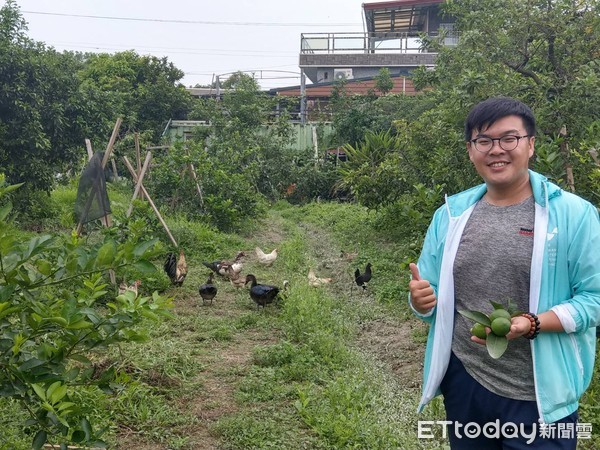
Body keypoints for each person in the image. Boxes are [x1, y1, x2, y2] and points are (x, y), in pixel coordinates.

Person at [408, 96, 600, 449]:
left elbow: (595, 299)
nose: (496, 150)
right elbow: (431, 291)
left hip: (542, 395)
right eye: (484, 141)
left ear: (530, 145)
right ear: (470, 150)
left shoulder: (574, 216)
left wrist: (533, 322)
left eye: (509, 138)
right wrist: (421, 301)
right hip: (466, 381)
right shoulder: (450, 215)